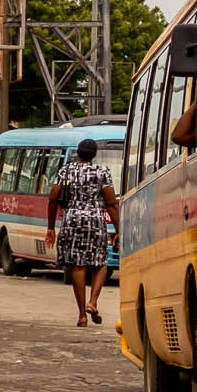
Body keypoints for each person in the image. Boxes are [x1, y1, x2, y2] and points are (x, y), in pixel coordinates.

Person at [45, 138, 121, 328]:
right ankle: (92, 302)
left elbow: (53, 199)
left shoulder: (66, 171)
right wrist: (119, 230)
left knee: (78, 266)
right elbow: (111, 203)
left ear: (78, 153)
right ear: (94, 154)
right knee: (100, 263)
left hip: (72, 220)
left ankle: (81, 316)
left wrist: (50, 228)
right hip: (95, 220)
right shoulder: (102, 172)